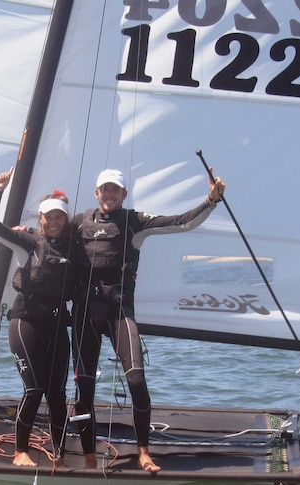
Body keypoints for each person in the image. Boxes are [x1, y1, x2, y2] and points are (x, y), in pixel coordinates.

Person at [71, 167, 225, 472]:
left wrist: (210, 201)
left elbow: (182, 223)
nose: (109, 193)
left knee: (137, 380)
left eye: (115, 189)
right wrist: (26, 231)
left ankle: (144, 452)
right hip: (84, 314)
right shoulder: (79, 222)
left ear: (124, 195)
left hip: (119, 312)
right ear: (96, 192)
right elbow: (48, 234)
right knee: (83, 388)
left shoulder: (134, 222)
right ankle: (88, 457)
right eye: (105, 188)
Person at [0, 167, 77, 467]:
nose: (53, 221)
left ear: (65, 220)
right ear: (40, 219)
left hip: (56, 326)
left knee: (57, 394)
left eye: (59, 216)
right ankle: (20, 451)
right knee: (34, 389)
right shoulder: (28, 243)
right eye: (48, 216)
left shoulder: (74, 247)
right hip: (25, 324)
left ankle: (60, 454)